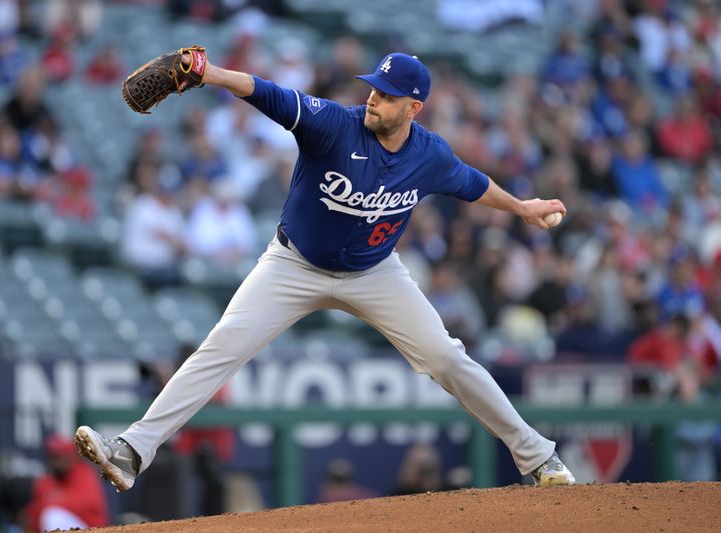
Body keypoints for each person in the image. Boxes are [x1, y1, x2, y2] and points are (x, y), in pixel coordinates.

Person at [76, 50, 575, 492]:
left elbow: (473, 183)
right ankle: (131, 451)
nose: (374, 99)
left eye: (388, 95)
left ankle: (538, 455)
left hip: (375, 273)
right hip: (293, 264)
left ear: (413, 108)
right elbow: (268, 93)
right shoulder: (335, 124)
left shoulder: (430, 155)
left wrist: (523, 208)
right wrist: (210, 74)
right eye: (374, 89)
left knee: (447, 357)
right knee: (222, 345)